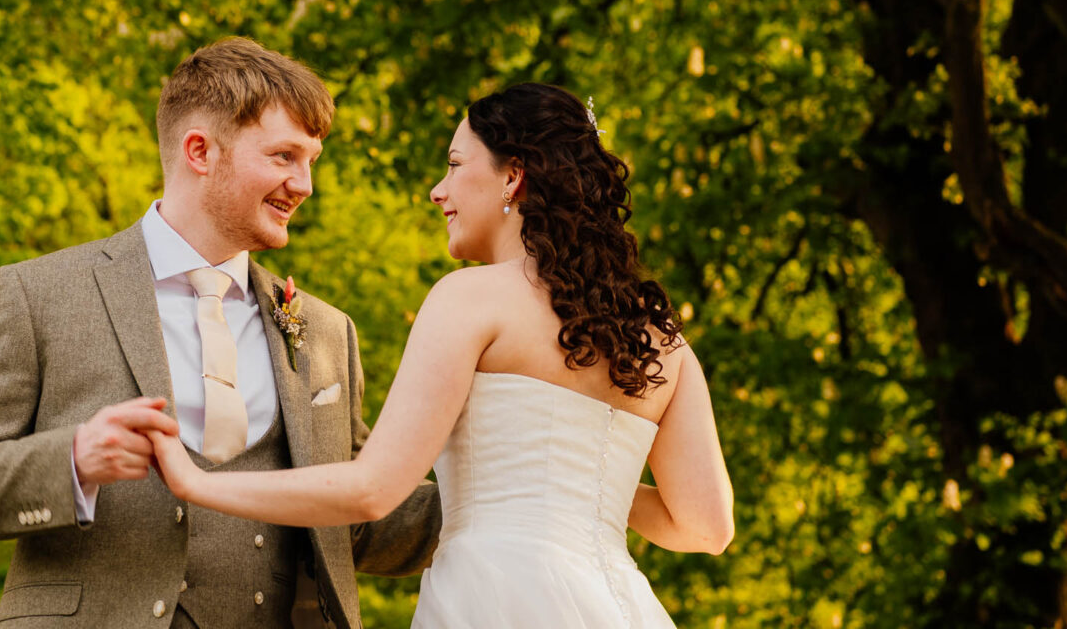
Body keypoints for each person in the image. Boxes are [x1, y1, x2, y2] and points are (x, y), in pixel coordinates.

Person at [0, 37, 441, 629]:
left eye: (312, 160)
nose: (305, 183)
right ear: (200, 151)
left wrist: (508, 495)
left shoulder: (326, 331)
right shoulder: (40, 295)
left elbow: (360, 519)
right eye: (285, 156)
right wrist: (73, 462)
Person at [150, 82, 734, 628]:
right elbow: (706, 527)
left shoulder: (469, 298)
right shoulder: (660, 337)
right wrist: (576, 480)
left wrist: (193, 482)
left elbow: (373, 490)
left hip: (497, 597)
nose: (439, 189)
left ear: (513, 176)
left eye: (455, 165)